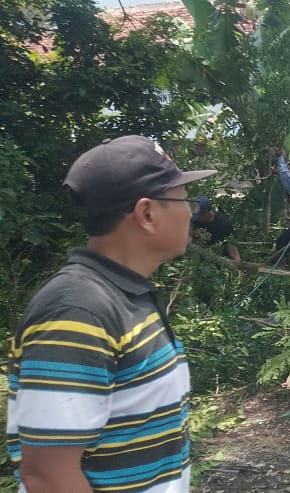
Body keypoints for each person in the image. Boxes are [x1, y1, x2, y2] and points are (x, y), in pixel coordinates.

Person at [7, 135, 215, 491]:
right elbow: (47, 476)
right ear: (147, 214)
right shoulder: (78, 310)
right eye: (184, 201)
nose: (190, 215)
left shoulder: (127, 294)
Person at [191, 195, 242, 261]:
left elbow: (232, 247)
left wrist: (238, 262)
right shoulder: (193, 220)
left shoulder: (223, 225)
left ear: (207, 213)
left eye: (199, 216)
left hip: (219, 259)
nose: (196, 219)